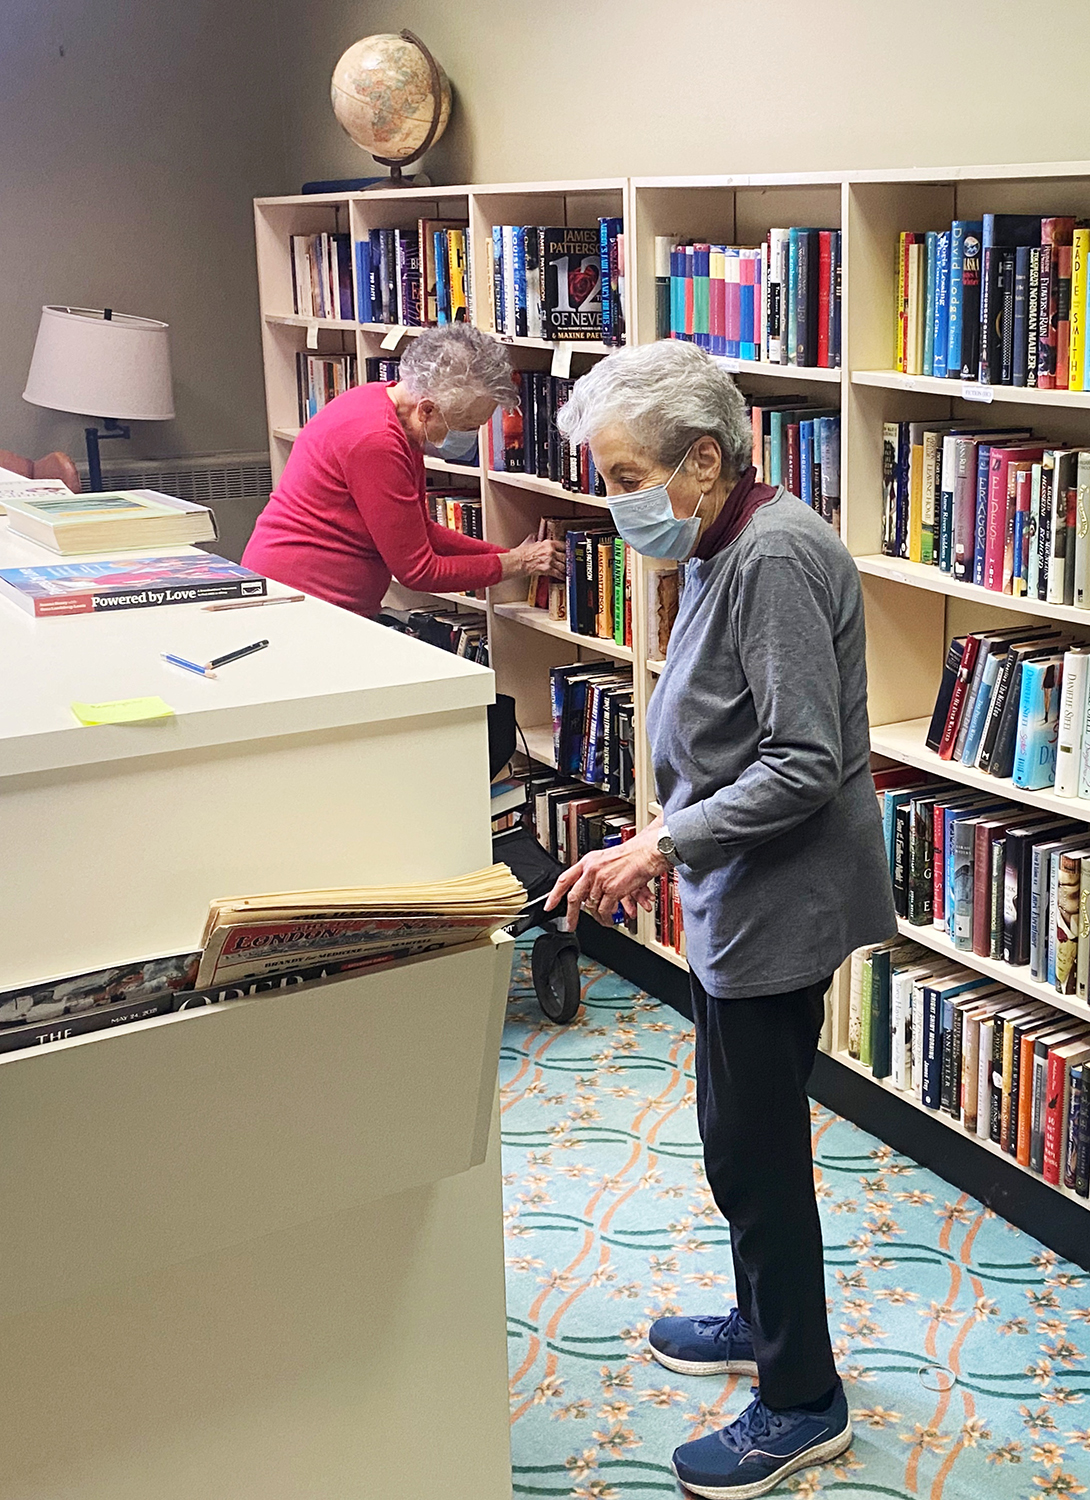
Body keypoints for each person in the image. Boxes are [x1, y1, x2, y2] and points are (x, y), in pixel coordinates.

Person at [544, 340, 896, 1500]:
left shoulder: (774, 556)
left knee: (757, 1152)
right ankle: (760, 1318)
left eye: (627, 476)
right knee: (731, 1137)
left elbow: (803, 761)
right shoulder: (716, 538)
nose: (616, 502)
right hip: (735, 893)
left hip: (778, 899)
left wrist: (660, 843)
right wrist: (675, 837)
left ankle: (803, 1400)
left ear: (703, 459)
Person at [243, 324, 564, 617]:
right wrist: (518, 563)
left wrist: (508, 555)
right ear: (427, 410)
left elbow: (420, 531)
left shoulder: (387, 408)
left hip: (315, 599)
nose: (471, 436)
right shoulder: (377, 441)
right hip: (300, 603)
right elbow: (419, 572)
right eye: (467, 425)